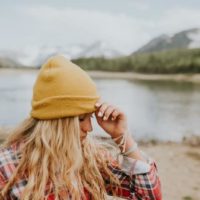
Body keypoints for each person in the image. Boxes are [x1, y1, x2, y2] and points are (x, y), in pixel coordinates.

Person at [0, 55, 162, 200]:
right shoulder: (6, 167)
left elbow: (148, 196)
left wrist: (122, 136)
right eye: (81, 118)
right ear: (57, 121)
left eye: (90, 117)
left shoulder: (91, 158)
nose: (90, 128)